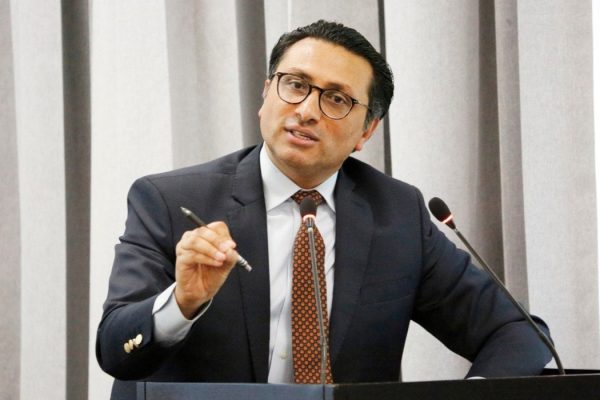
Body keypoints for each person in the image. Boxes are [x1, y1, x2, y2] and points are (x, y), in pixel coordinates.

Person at [96, 20, 552, 399]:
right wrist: (181, 302)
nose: (307, 110)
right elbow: (115, 349)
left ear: (366, 131)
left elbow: (518, 332)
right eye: (295, 85)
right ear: (266, 96)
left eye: (336, 99)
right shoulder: (171, 201)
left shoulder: (398, 216)